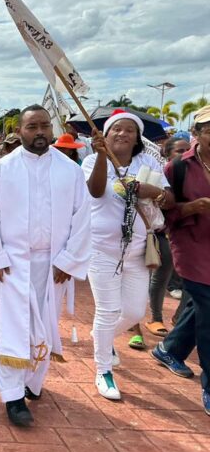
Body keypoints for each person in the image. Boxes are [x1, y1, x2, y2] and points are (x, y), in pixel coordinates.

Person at [0, 105, 91, 426]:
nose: (39, 132)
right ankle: (12, 396)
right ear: (20, 131)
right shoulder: (3, 168)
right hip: (11, 265)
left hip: (53, 263)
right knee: (9, 326)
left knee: (44, 322)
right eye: (32, 127)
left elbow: (82, 217)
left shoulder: (69, 171)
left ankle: (33, 381)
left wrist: (69, 260)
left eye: (44, 126)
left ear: (51, 129)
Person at [83, 110, 174, 400]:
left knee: (134, 311)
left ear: (137, 138)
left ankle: (101, 336)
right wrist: (100, 156)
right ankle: (103, 369)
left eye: (129, 131)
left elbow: (169, 200)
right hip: (101, 248)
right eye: (116, 130)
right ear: (106, 135)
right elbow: (95, 192)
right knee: (108, 310)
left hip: (137, 250)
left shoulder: (148, 162)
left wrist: (152, 191)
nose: (122, 134)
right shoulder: (90, 160)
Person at [151, 107, 210, 415]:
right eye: (209, 130)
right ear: (196, 135)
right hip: (189, 244)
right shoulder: (178, 168)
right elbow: (164, 211)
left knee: (199, 306)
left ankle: (169, 349)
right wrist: (195, 206)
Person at [128, 135, 192, 349]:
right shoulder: (165, 170)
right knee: (138, 276)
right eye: (179, 150)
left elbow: (166, 200)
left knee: (166, 272)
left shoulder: (192, 171)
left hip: (160, 230)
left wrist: (158, 194)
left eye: (187, 149)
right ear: (168, 153)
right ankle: (146, 321)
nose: (184, 154)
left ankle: (175, 317)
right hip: (147, 229)